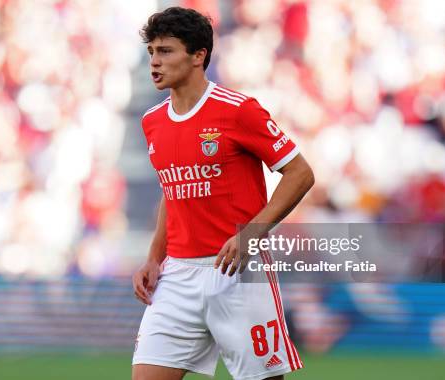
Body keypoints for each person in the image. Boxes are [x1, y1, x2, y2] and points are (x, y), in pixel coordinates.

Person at [132, 7, 314, 380]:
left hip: (238, 274)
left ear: (198, 55)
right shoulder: (152, 121)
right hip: (177, 277)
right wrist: (154, 257)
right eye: (151, 51)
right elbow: (174, 190)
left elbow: (300, 173)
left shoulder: (238, 111)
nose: (154, 61)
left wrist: (252, 233)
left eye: (165, 51)